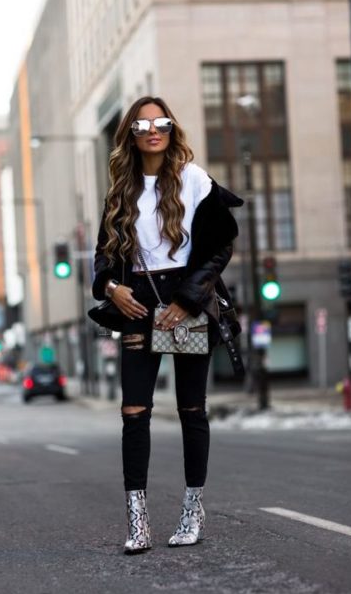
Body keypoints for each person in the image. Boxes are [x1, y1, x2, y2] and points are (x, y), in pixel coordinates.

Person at [91, 96, 242, 554]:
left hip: (185, 304)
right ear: (131, 134)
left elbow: (220, 246)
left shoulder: (194, 179)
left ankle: (192, 509)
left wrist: (187, 298)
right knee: (133, 412)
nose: (152, 129)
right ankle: (138, 522)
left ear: (172, 129)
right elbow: (103, 253)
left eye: (161, 122)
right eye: (142, 123)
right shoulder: (120, 187)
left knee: (190, 410)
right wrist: (109, 287)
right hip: (137, 303)